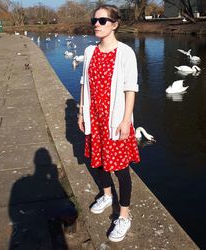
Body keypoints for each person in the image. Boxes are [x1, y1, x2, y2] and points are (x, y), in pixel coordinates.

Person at [78, 4, 140, 242]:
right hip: (95, 118)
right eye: (94, 20)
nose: (96, 24)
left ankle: (124, 215)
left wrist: (126, 121)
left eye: (102, 21)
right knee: (97, 161)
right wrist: (81, 113)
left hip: (115, 120)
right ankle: (106, 195)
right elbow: (84, 83)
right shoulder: (90, 52)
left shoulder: (125, 53)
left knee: (121, 170)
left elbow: (130, 89)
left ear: (114, 24)